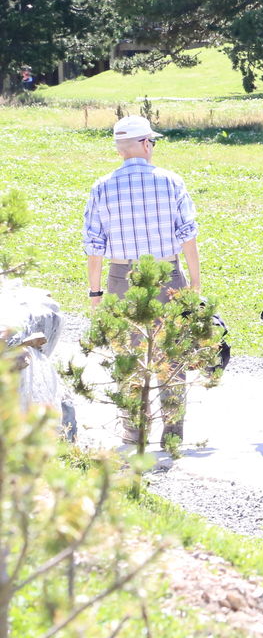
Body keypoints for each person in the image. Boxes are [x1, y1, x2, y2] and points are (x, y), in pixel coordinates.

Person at [82, 115, 201, 445]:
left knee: (128, 354)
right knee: (172, 354)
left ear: (120, 149)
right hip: (167, 273)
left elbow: (94, 246)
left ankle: (134, 430)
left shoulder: (102, 187)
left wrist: (95, 292)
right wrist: (195, 281)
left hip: (121, 275)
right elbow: (188, 235)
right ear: (146, 144)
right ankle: (173, 431)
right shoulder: (171, 181)